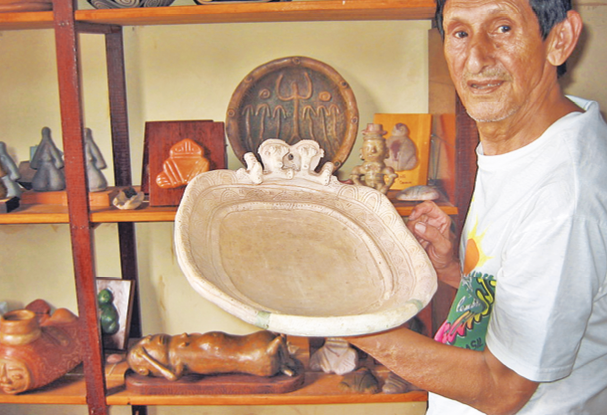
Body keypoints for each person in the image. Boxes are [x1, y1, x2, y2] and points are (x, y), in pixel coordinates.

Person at [346, 0, 607, 414]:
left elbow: (502, 389)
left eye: (503, 28)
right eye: (460, 33)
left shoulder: (564, 195)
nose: (477, 58)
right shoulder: (522, 139)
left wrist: (341, 318)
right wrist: (457, 270)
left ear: (560, 39)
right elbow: (527, 296)